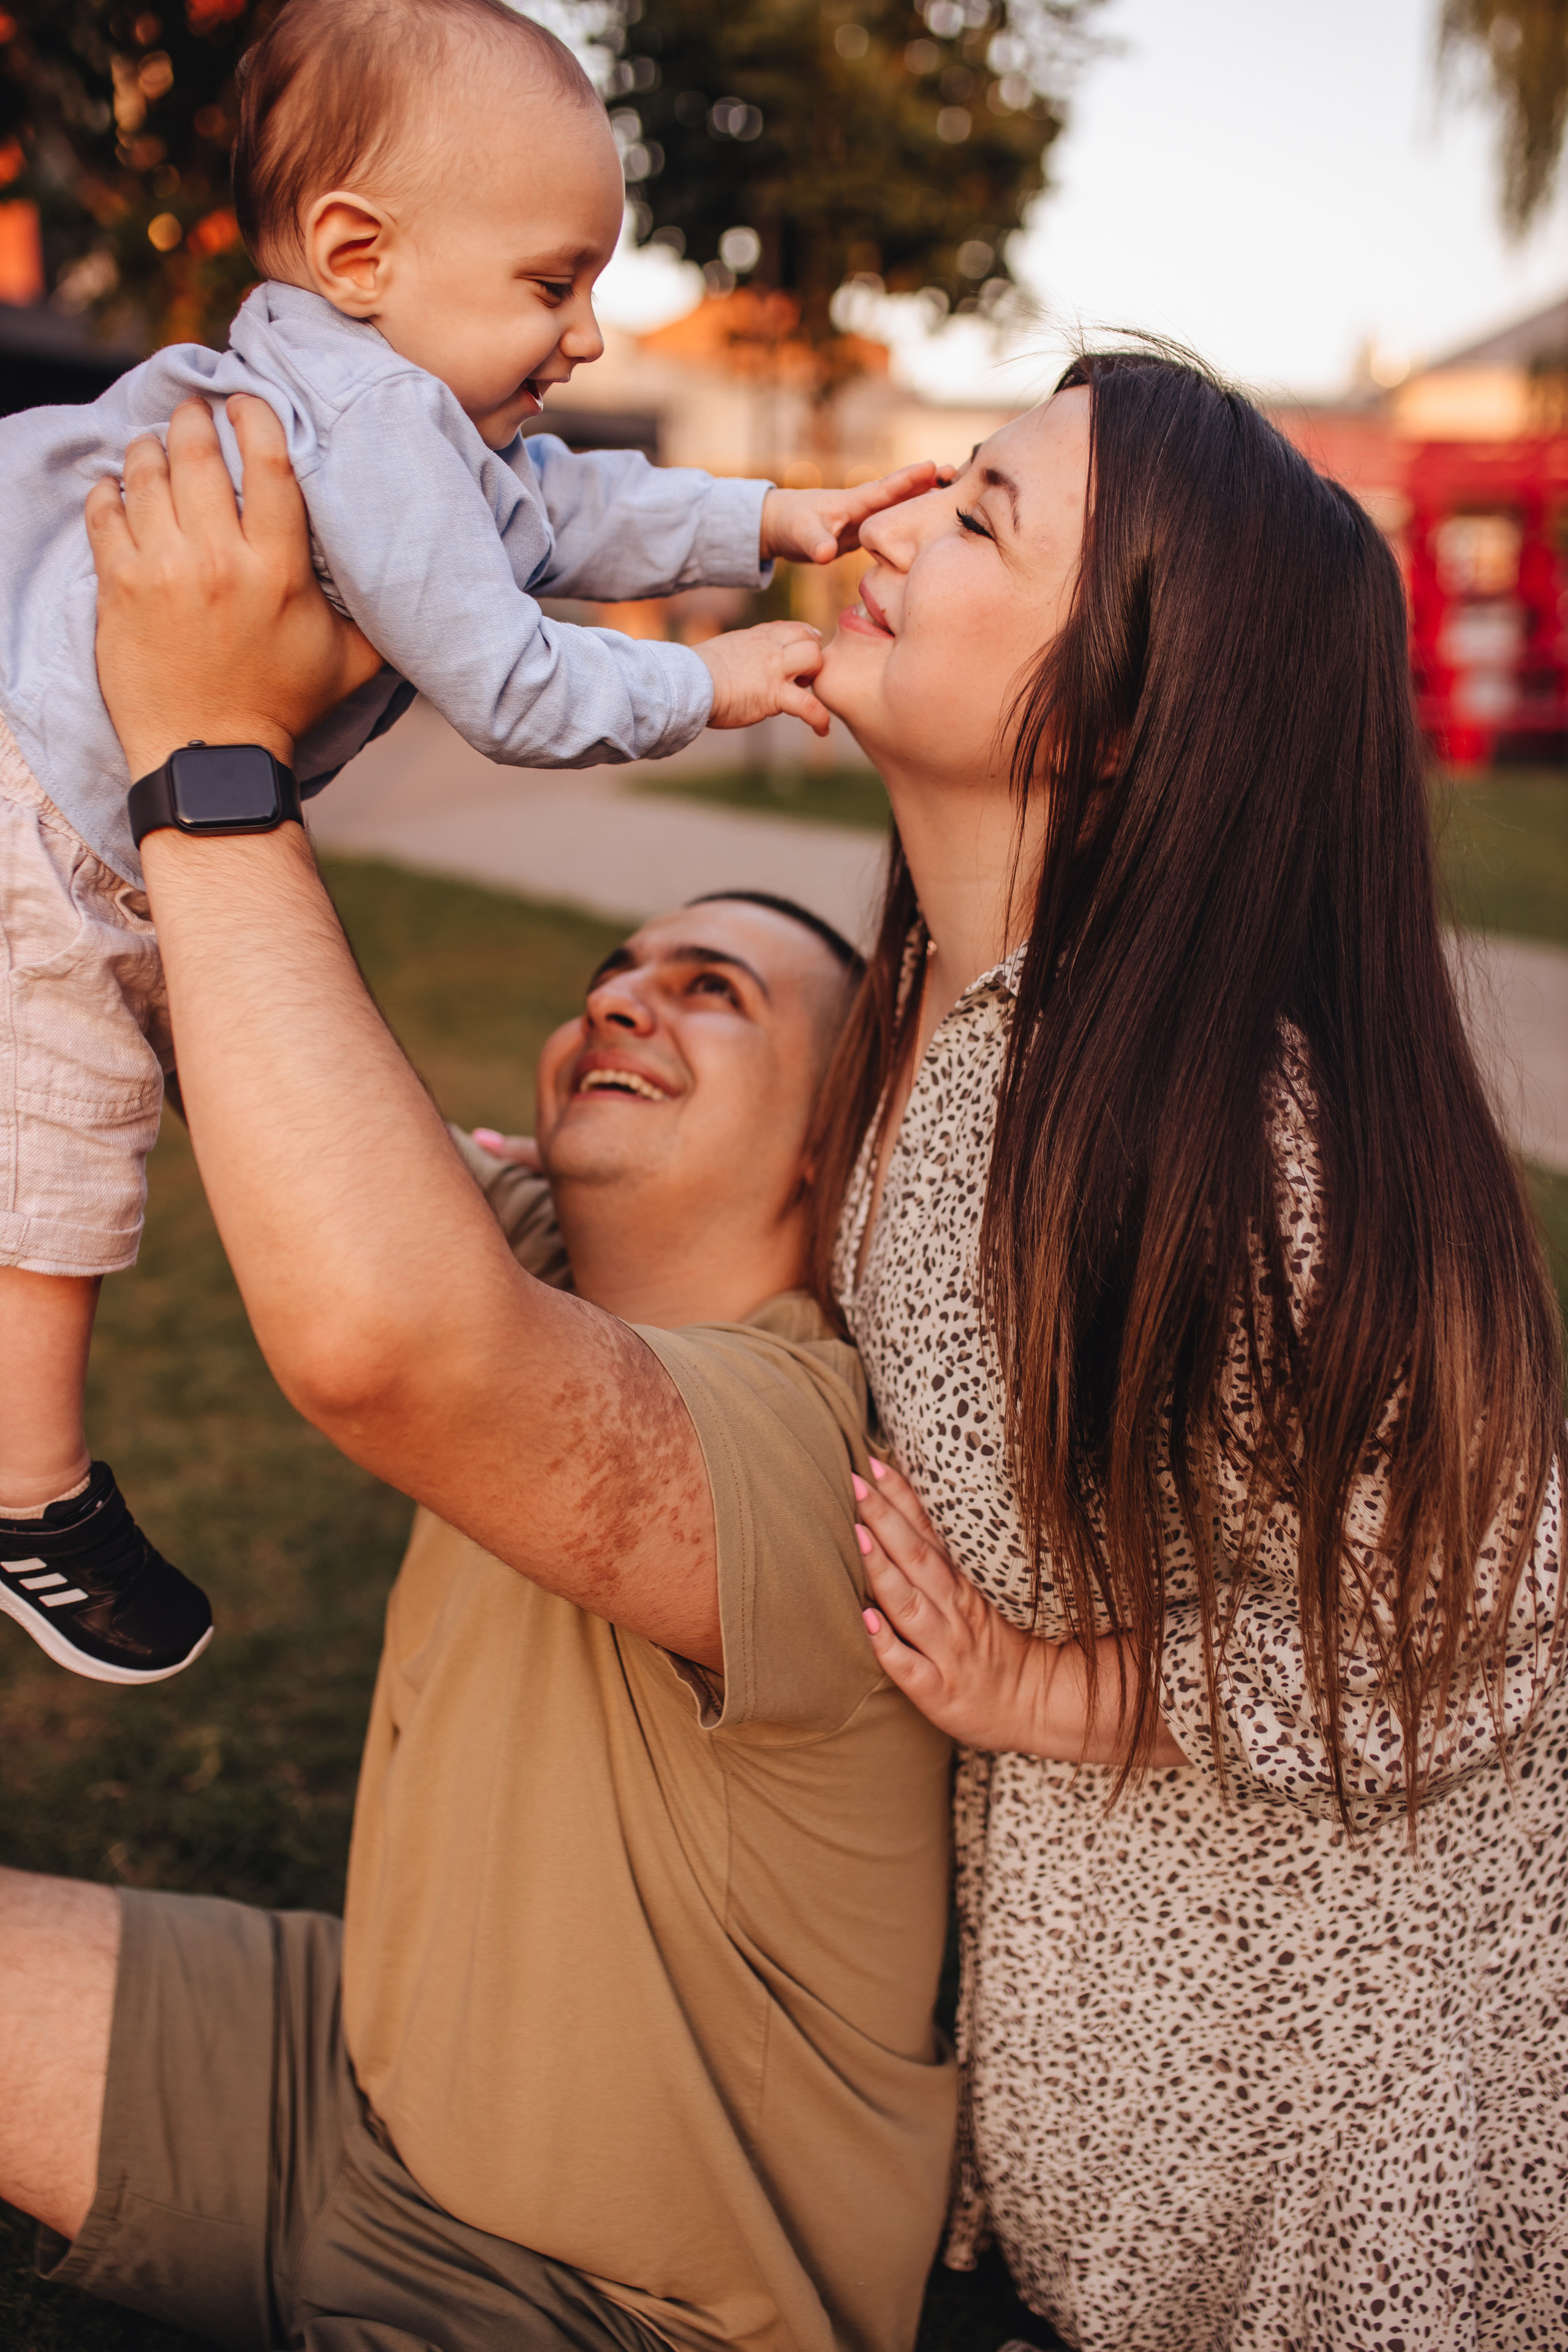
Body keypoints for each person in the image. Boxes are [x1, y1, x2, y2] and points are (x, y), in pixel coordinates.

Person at [0, 394, 957, 2350]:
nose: (622, 993)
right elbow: (265, 1070)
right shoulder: (541, 1262)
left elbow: (390, 1343)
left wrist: (211, 751)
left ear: (832, 1138)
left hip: (610, 2296)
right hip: (357, 2070)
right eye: (617, 967)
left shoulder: (813, 1444)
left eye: (714, 990)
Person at [0, 0, 930, 1684]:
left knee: (208, 1044)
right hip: (43, 814)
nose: (584, 332)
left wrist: (766, 519)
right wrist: (705, 682)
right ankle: (25, 1492)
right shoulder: (366, 426)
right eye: (553, 282)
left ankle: (390, 1204)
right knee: (63, 1111)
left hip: (99, 802)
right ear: (359, 250)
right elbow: (508, 676)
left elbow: (567, 507)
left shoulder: (420, 412)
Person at [804, 352, 1568, 2348]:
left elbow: (1478, 1612)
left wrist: (1051, 1689)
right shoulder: (930, 1029)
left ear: (1121, 725)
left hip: (1334, 2165)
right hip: (1105, 2104)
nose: (885, 526)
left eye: (979, 518)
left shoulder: (1234, 1133)